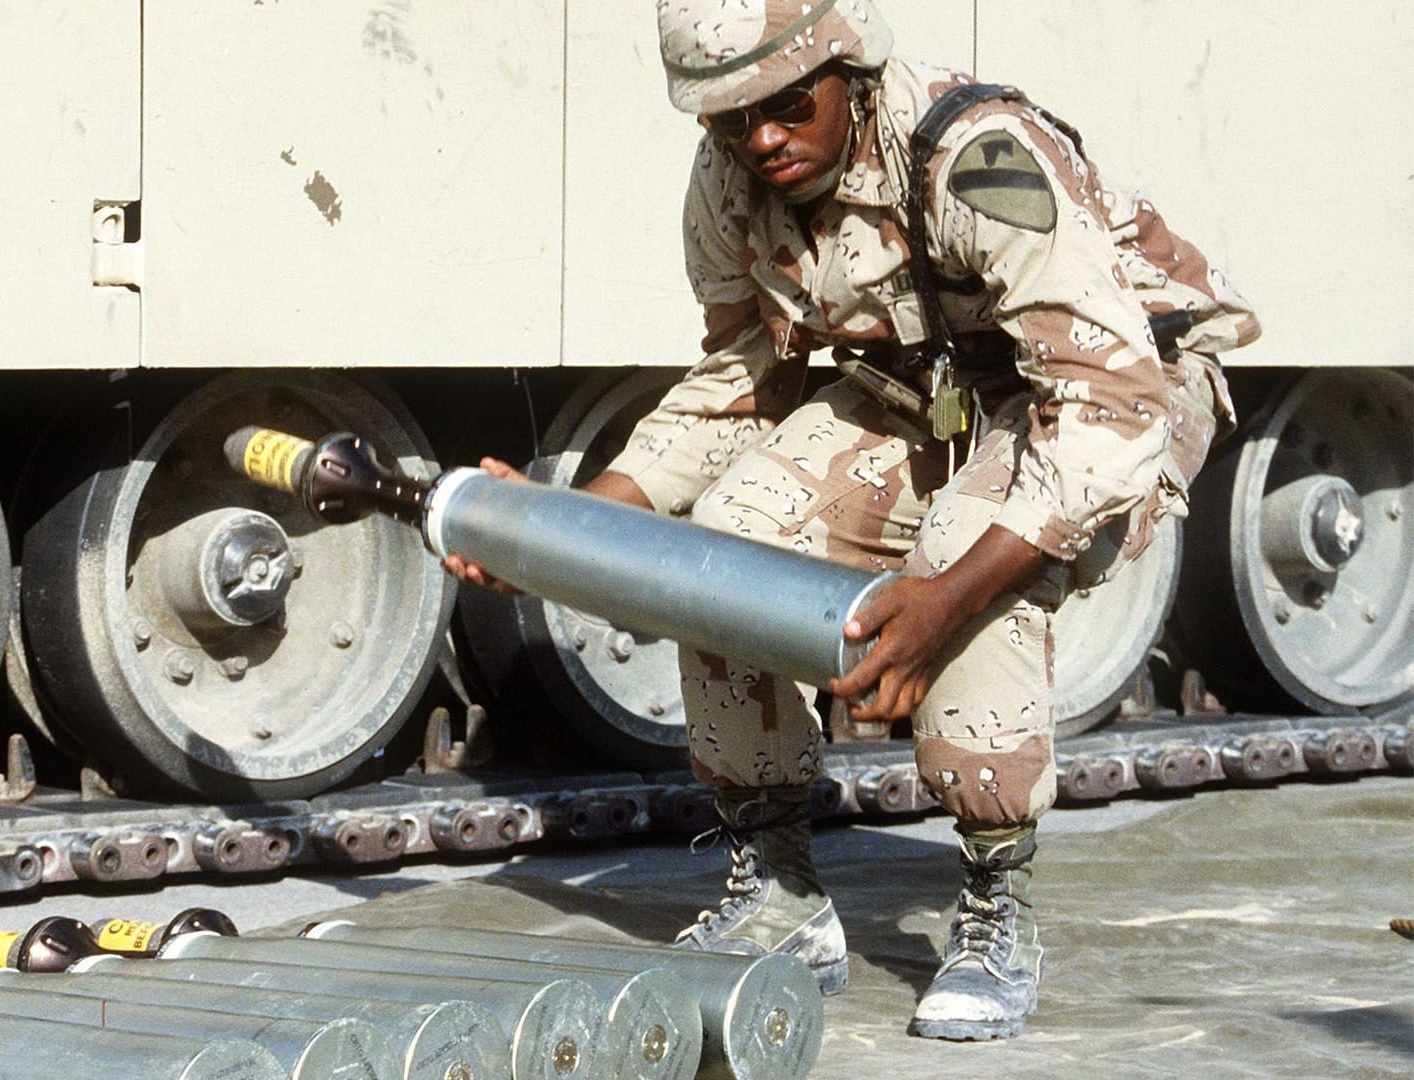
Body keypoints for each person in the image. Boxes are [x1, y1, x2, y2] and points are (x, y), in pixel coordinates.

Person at [446, 0, 1259, 1041]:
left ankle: (996, 898)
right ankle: (779, 890)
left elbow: (1110, 400)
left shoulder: (972, 158)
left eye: (786, 106)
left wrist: (942, 600)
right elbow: (744, 374)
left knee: (968, 557)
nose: (762, 139)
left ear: (849, 73)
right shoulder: (734, 179)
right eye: (730, 118)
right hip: (929, 387)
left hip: (1110, 387)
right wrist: (567, 530)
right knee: (725, 536)